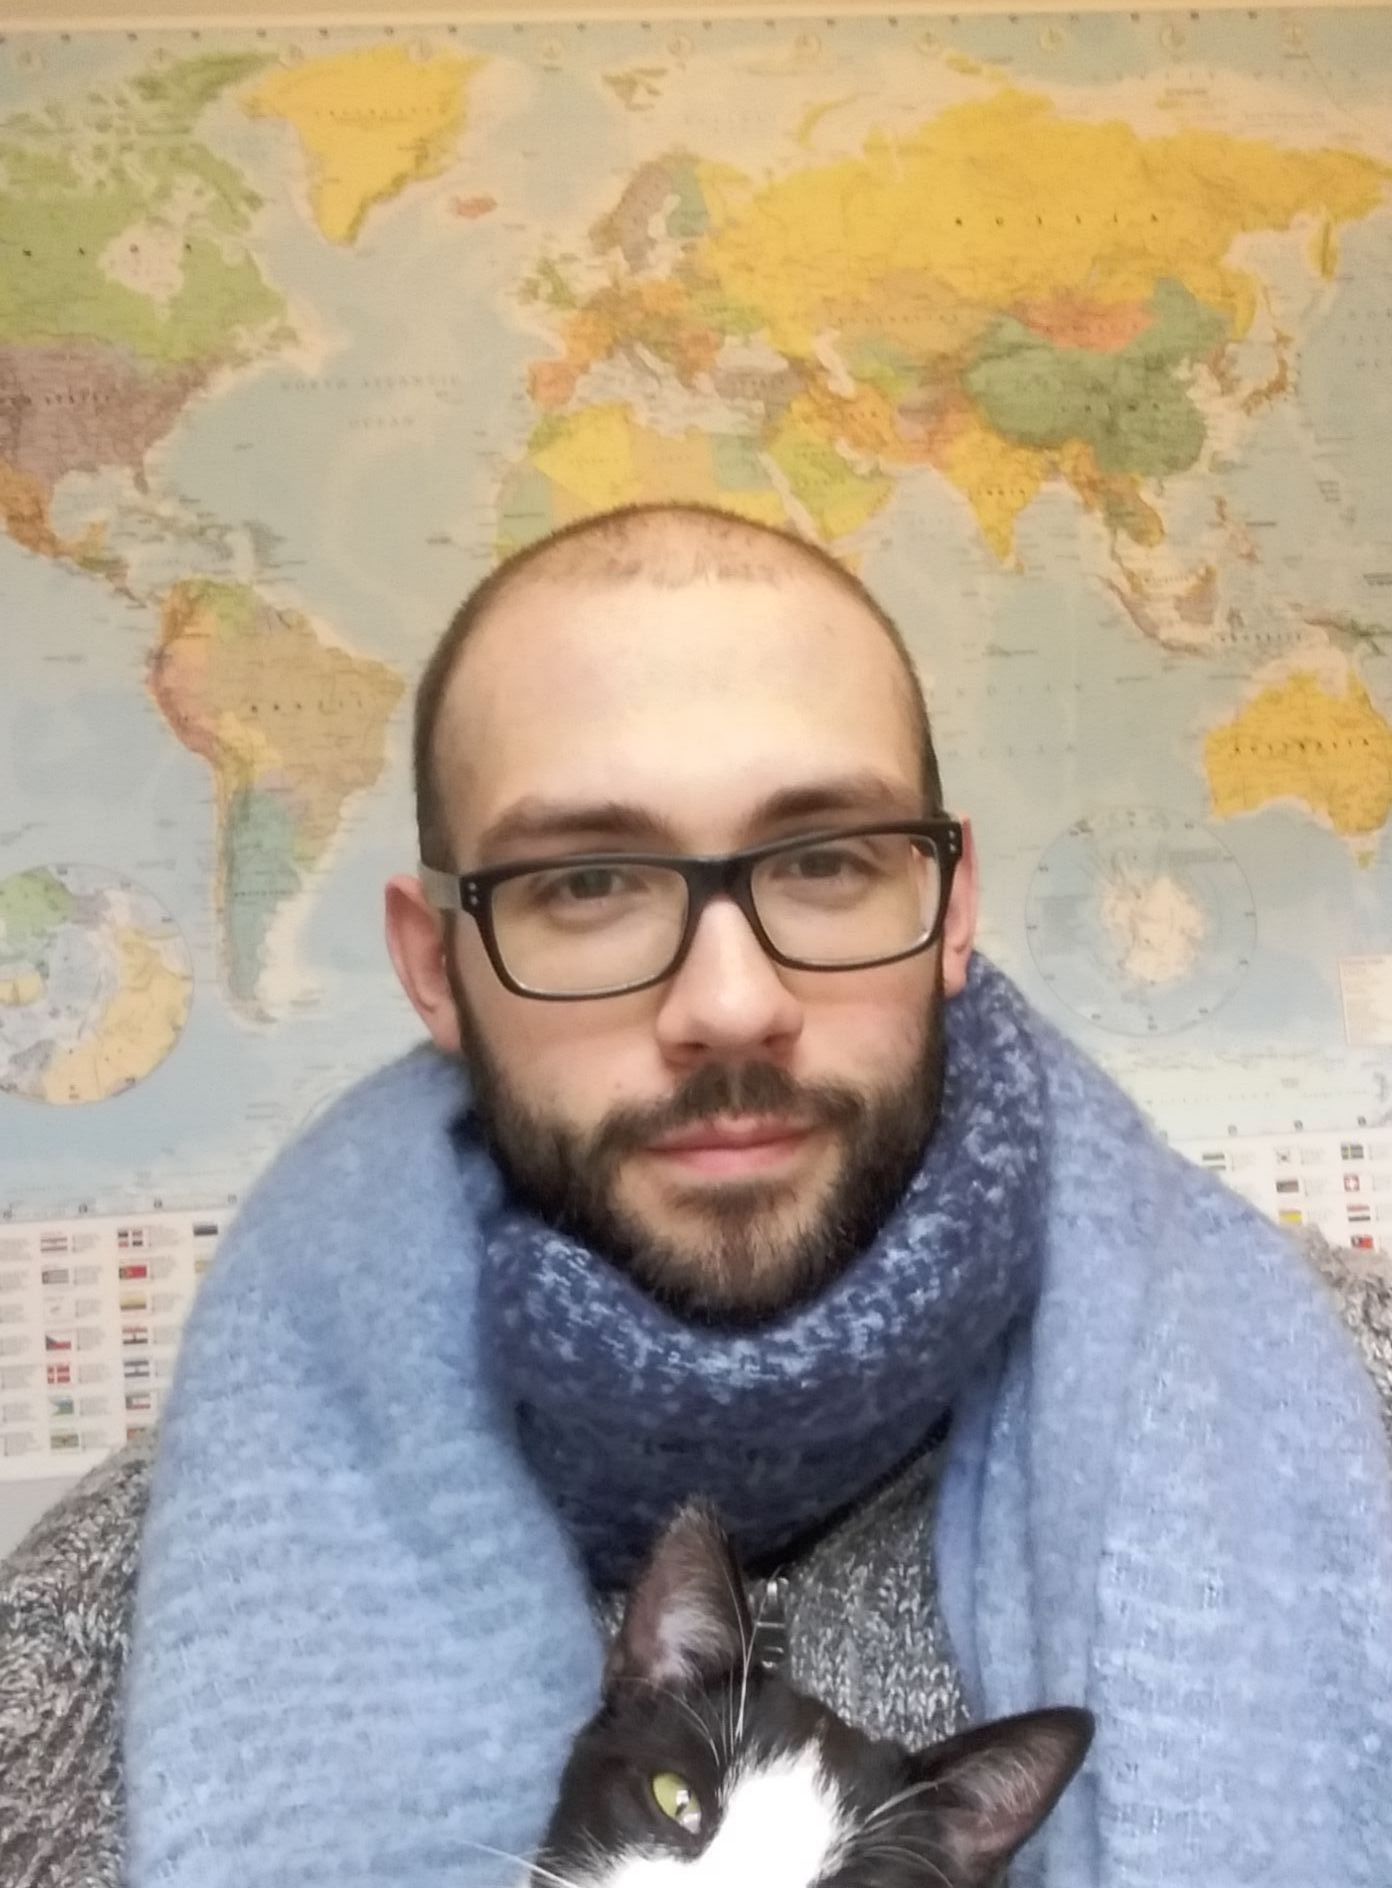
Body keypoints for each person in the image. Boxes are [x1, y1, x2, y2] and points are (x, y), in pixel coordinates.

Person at [4, 502, 1391, 1888]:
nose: (732, 1006)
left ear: (953, 909)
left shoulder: (1357, 1403)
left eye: (827, 860)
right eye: (589, 880)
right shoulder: (82, 1658)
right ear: (435, 967)